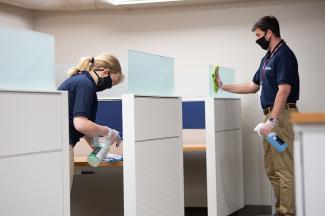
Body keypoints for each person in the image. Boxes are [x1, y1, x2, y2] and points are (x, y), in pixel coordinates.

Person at [214, 16, 299, 216]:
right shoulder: (267, 58)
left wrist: (273, 120)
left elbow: (284, 90)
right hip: (270, 118)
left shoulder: (284, 55)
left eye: (260, 36)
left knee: (284, 168)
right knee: (271, 169)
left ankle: (287, 213)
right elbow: (252, 86)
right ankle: (281, 210)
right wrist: (223, 86)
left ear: (270, 33)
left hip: (282, 116)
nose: (258, 40)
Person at [58, 53, 124, 188]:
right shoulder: (85, 85)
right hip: (63, 146)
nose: (108, 86)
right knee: (61, 200)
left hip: (56, 147)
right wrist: (108, 132)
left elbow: (80, 124)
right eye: (112, 82)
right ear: (105, 72)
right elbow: (81, 124)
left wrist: (98, 149)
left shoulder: (77, 80)